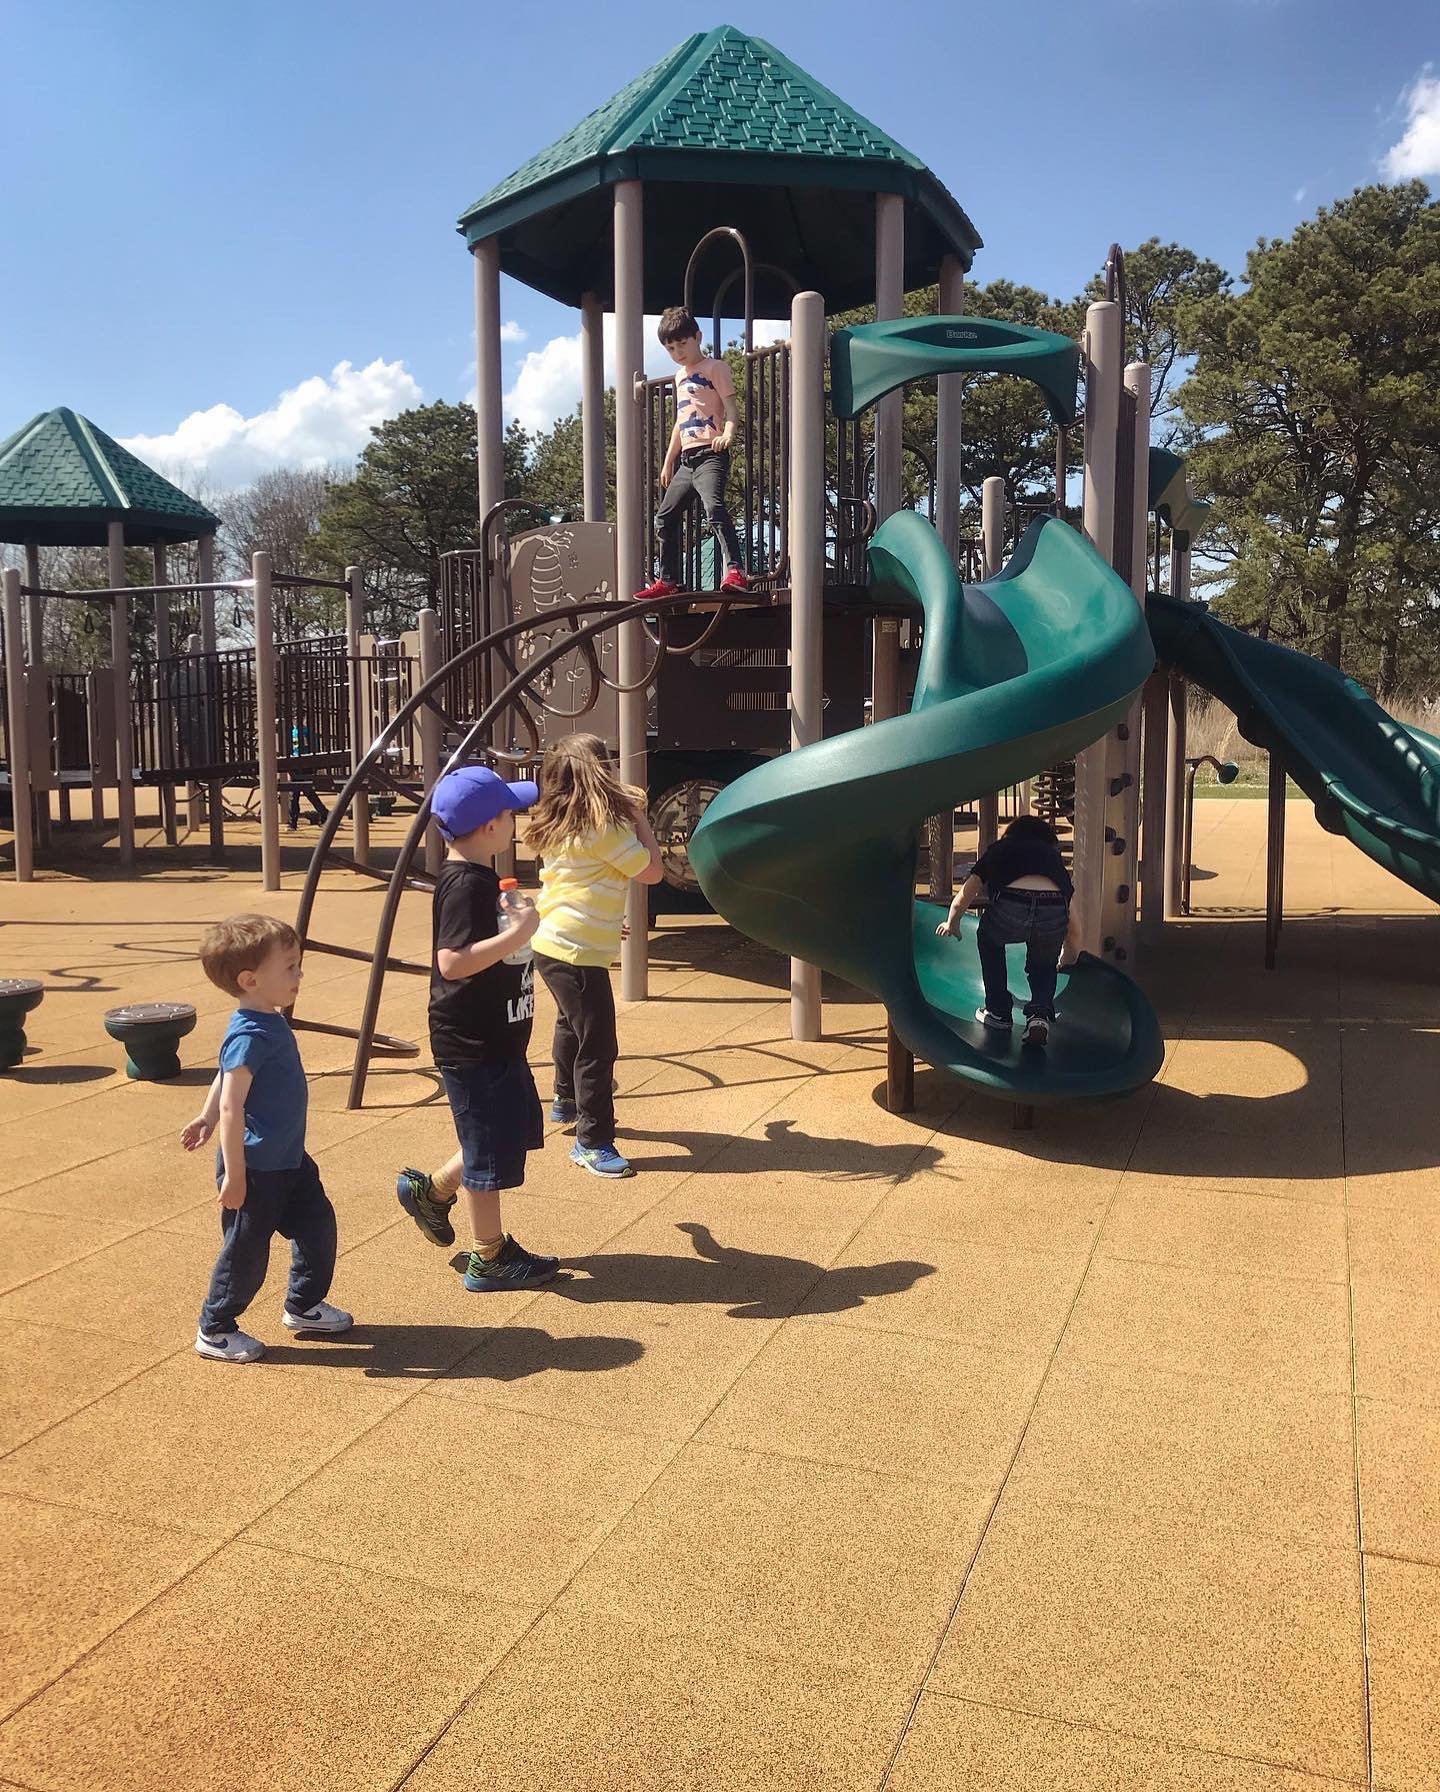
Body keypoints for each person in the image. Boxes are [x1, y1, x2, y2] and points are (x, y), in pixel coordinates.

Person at [395, 766, 560, 1291]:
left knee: (500, 1131)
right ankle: (487, 1257)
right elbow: (452, 961)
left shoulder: (479, 879)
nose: (515, 822)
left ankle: (433, 1191)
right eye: (510, 813)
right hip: (471, 1041)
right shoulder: (463, 883)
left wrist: (512, 922)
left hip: (495, 1035)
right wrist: (520, 934)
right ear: (490, 826)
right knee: (488, 1148)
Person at [182, 914, 352, 1363]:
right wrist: (234, 1176)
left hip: (290, 1159)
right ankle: (214, 1328)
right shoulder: (249, 1033)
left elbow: (224, 1079)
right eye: (290, 967)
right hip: (255, 1169)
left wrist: (202, 1117)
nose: (300, 974)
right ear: (251, 979)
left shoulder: (267, 1021)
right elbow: (232, 1106)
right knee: (245, 1254)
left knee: (318, 1227)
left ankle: (303, 1305)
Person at [525, 733, 665, 1179]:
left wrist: (602, 917)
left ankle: (565, 1099)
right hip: (577, 951)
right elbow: (654, 871)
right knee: (598, 1047)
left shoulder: (556, 820)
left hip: (552, 943)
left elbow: (574, 882)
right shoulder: (606, 827)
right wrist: (641, 818)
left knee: (572, 1024)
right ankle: (593, 1141)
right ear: (601, 770)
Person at [935, 815, 1082, 1047]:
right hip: (1053, 909)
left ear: (1011, 834)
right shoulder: (1052, 858)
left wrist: (952, 921)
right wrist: (1070, 953)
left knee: (988, 939)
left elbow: (968, 890)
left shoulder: (1001, 848)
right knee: (1043, 964)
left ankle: (998, 1012)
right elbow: (1071, 914)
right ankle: (1040, 1016)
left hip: (1011, 906)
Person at [634, 306, 749, 599]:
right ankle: (669, 579)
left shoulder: (715, 368)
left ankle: (736, 570)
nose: (678, 352)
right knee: (665, 516)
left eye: (682, 344)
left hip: (711, 452)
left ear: (697, 337)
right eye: (671, 348)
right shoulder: (679, 377)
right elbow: (681, 421)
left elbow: (732, 409)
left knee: (714, 508)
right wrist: (669, 460)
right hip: (687, 459)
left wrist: (727, 434)